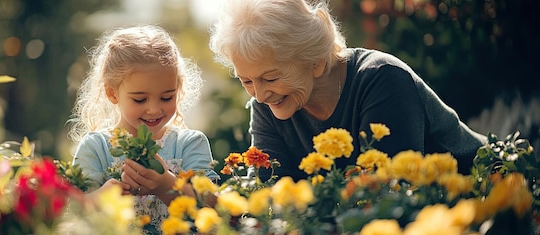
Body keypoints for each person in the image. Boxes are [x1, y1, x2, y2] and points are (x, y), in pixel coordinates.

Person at [208, 0, 487, 181]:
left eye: (270, 78)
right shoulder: (265, 106)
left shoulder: (382, 80)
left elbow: (389, 192)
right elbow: (275, 194)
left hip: (490, 191)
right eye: (246, 81)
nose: (258, 94)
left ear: (315, 62)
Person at [68, 25, 219, 233]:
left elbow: (214, 209)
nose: (154, 109)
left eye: (167, 97)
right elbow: (72, 214)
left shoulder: (190, 144)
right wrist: (100, 200)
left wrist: (167, 186)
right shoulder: (96, 147)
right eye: (140, 99)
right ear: (112, 93)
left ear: (179, 88)